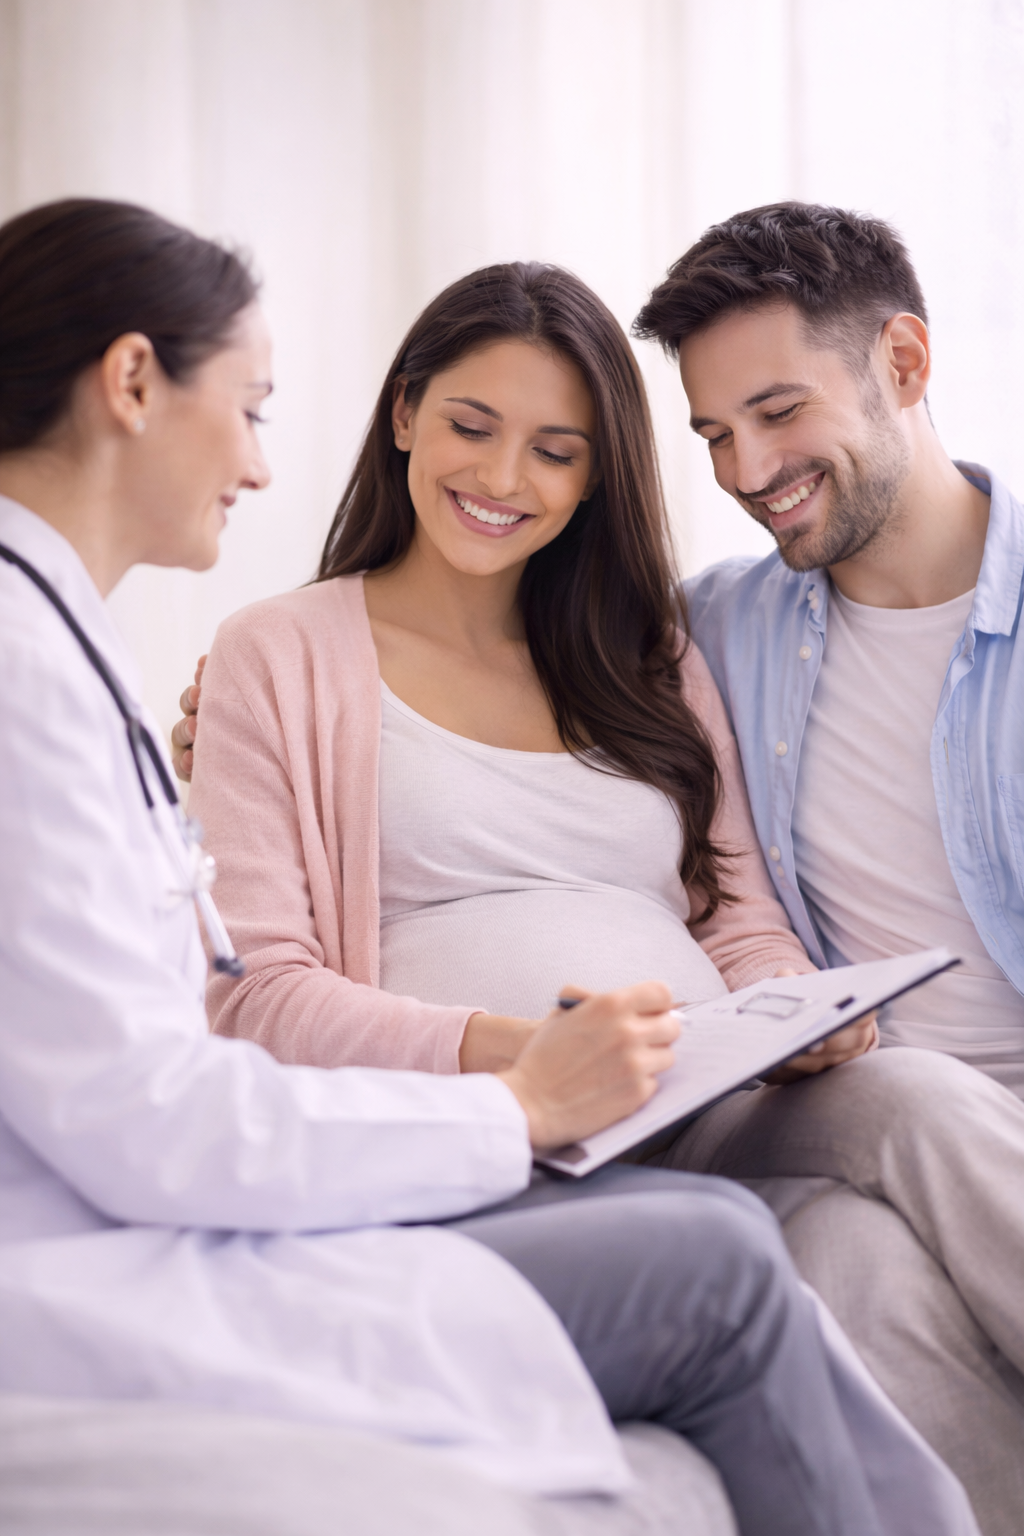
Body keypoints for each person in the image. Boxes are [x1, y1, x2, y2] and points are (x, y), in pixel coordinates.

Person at [0, 197, 974, 1536]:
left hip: (698, 1086)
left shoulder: (648, 649)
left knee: (912, 1097)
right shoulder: (262, 656)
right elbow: (241, 1006)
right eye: (472, 426)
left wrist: (793, 1010)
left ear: (595, 477)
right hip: (510, 1125)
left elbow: (735, 907)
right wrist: (520, 1074)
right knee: (749, 1255)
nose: (507, 475)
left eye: (557, 451)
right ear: (406, 414)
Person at [627, 202, 1024, 1534]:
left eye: (779, 412)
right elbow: (489, 675)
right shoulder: (709, 632)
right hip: (852, 1115)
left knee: (848, 1266)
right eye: (714, 434)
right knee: (849, 1215)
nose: (747, 469)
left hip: (974, 1157)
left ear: (903, 363)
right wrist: (256, 706)